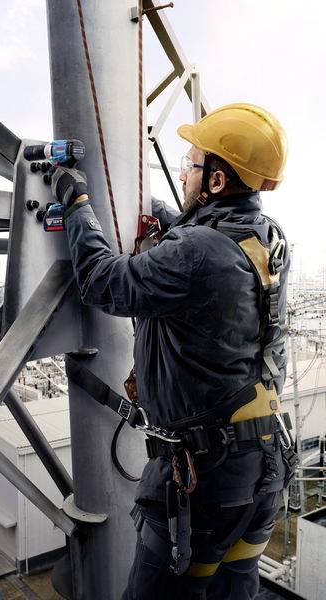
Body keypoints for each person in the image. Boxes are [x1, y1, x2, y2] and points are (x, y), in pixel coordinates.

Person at [49, 103, 295, 600]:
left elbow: (104, 282)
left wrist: (76, 205)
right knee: (232, 590)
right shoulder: (267, 240)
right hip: (262, 465)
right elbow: (210, 270)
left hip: (205, 479)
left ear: (218, 181)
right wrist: (171, 222)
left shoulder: (199, 251)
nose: (185, 171)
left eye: (192, 163)